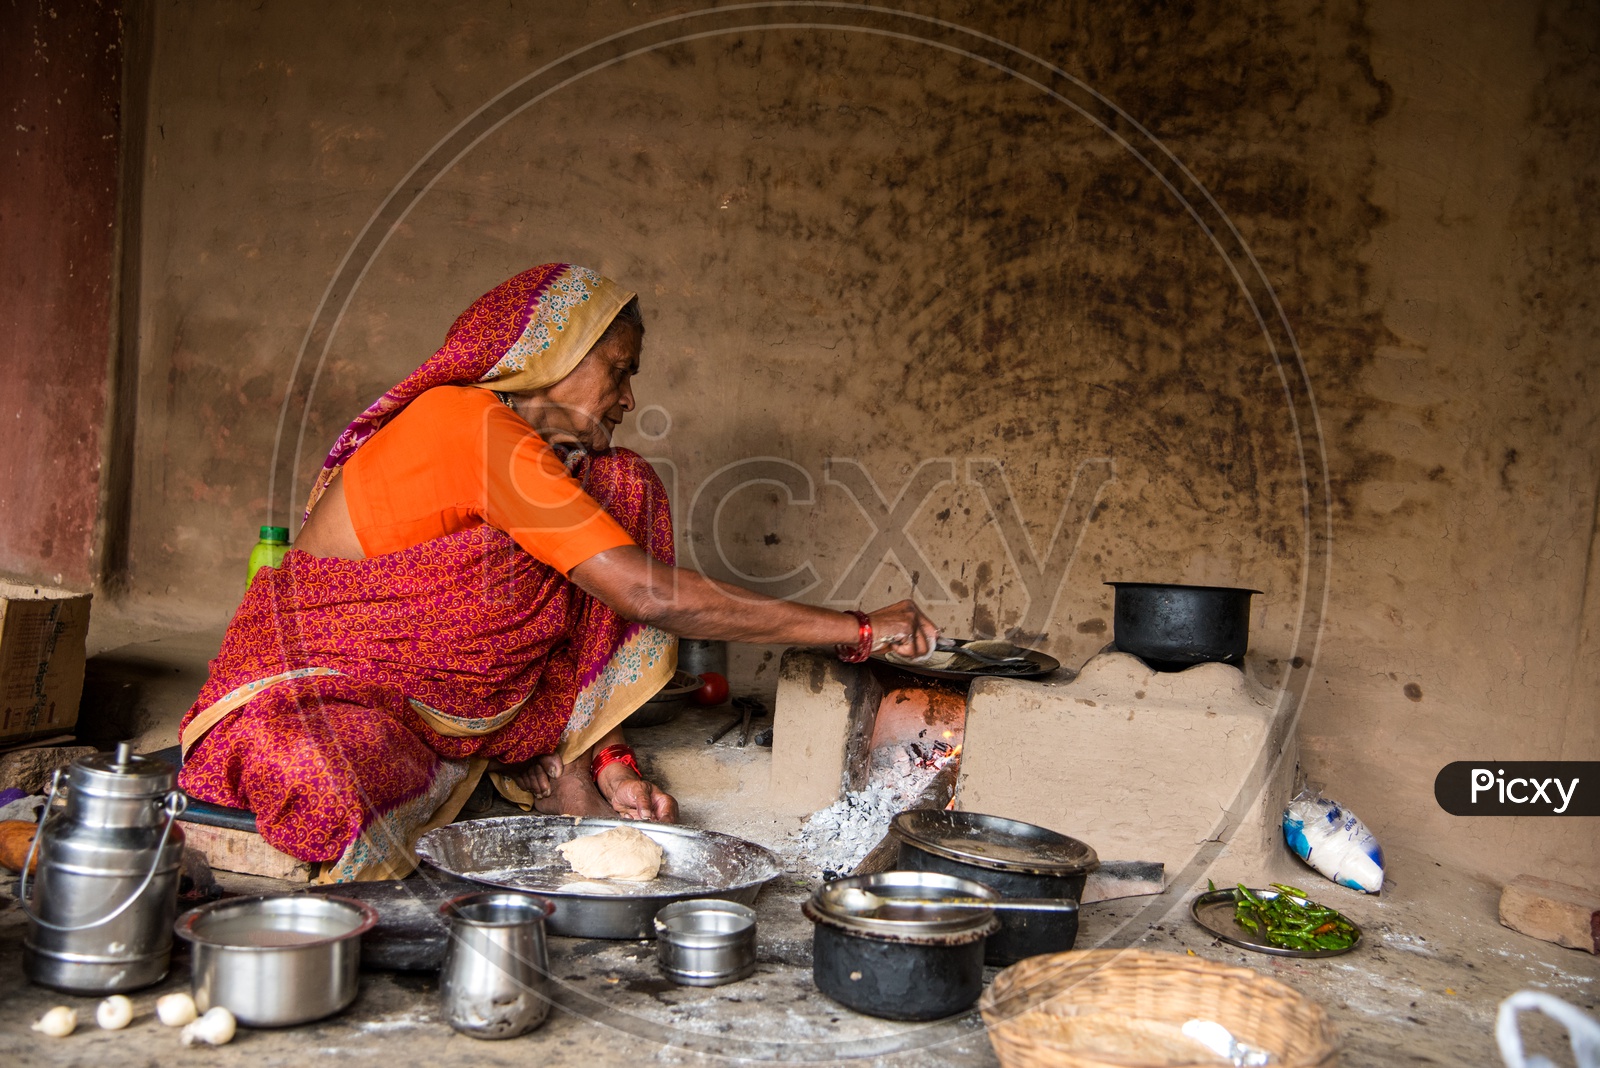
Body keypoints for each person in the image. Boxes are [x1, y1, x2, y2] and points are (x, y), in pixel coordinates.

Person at [176, 263, 937, 881]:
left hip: (429, 702)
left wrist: (606, 756)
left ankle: (570, 760)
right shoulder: (471, 426)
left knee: (620, 485)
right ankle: (524, 762)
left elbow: (578, 617)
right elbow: (641, 592)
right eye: (618, 370)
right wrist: (857, 629)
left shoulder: (536, 456)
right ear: (555, 355)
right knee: (325, 775)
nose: (630, 398)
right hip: (308, 688)